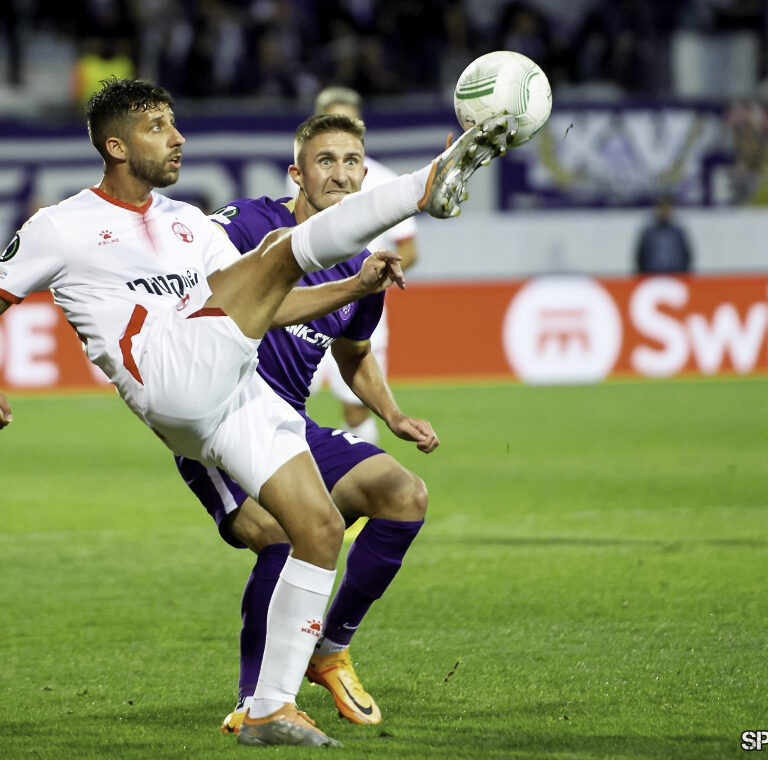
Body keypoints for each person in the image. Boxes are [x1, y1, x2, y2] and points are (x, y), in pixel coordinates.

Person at [0, 78, 517, 748]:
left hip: (238, 392)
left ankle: (269, 709)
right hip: (169, 375)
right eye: (159, 126)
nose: (178, 137)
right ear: (116, 145)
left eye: (175, 122)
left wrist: (352, 287)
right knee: (276, 251)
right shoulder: (61, 226)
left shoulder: (186, 221)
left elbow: (263, 302)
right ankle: (425, 186)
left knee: (319, 529)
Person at [179, 112, 436, 733]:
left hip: (289, 428)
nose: (340, 174)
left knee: (402, 495)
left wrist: (392, 413)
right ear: (297, 172)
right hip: (219, 426)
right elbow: (225, 303)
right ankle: (254, 703)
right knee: (282, 535)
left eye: (353, 162)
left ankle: (330, 646)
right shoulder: (247, 225)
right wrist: (351, 284)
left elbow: (353, 354)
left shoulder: (363, 265)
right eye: (325, 160)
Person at [302, 86, 422, 445]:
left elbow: (410, 249)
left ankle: (363, 483)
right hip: (301, 303)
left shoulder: (383, 181)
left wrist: (371, 284)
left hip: (355, 307)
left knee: (356, 406)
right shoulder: (302, 176)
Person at [634, 194, 693, 274]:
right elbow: (640, 256)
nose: (664, 212)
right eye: (662, 208)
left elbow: (686, 256)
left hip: (675, 276)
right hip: (652, 277)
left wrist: (683, 274)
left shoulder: (678, 233)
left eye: (667, 209)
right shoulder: (649, 233)